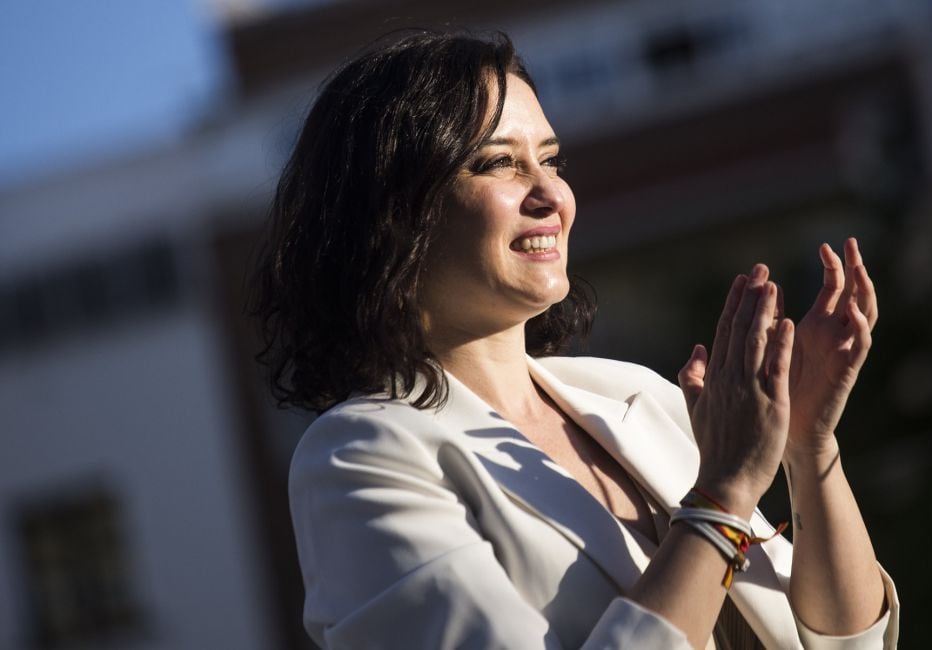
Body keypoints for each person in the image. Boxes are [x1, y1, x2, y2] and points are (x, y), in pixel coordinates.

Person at [253, 29, 899, 650]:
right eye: (499, 162)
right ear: (393, 214)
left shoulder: (638, 395)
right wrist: (723, 495)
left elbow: (852, 644)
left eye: (552, 160)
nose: (551, 195)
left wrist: (805, 449)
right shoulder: (356, 457)